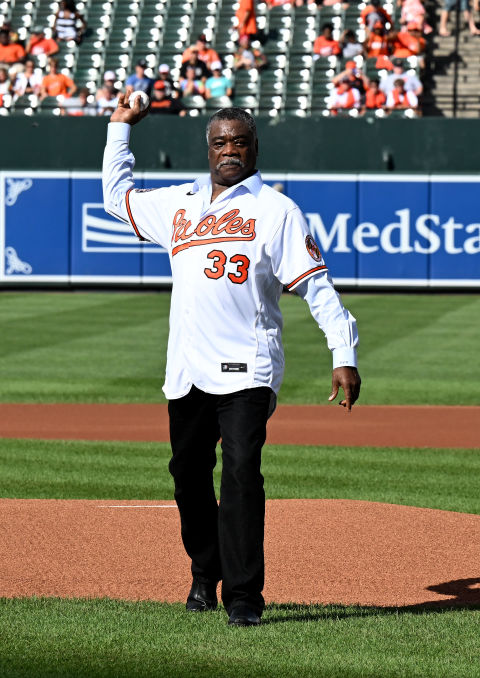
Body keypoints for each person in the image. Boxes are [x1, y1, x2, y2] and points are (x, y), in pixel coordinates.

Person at [102, 102, 361, 627]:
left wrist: (344, 353)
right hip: (188, 369)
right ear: (208, 148)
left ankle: (244, 596)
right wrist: (119, 128)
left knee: (242, 473)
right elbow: (115, 199)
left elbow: (316, 286)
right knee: (187, 476)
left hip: (248, 365)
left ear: (255, 146)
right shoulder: (181, 204)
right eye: (220, 142)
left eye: (239, 141)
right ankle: (205, 571)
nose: (229, 151)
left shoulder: (276, 210)